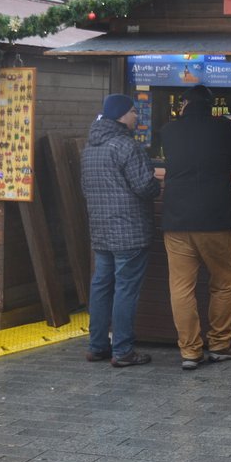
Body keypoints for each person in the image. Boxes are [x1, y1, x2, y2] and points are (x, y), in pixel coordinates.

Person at [160, 84, 231, 370]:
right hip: (214, 217)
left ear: (184, 104)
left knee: (181, 287)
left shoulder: (169, 131)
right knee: (222, 282)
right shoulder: (222, 127)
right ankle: (221, 343)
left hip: (176, 218)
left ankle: (189, 351)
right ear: (211, 106)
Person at [81, 94, 161, 367]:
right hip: (129, 230)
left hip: (101, 229)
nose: (136, 116)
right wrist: (156, 185)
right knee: (125, 288)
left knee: (102, 286)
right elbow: (144, 187)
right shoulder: (126, 146)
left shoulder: (90, 148)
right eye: (132, 112)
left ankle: (97, 345)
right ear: (121, 116)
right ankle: (123, 350)